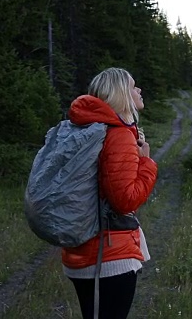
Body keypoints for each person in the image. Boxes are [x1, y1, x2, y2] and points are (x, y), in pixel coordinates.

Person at [61, 67, 158, 319]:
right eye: (133, 86)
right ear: (121, 94)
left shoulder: (89, 129)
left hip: (85, 249)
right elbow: (125, 200)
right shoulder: (118, 135)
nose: (139, 90)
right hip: (109, 256)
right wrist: (146, 163)